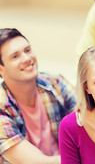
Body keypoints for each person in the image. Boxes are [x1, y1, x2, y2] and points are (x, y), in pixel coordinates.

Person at [0, 28, 76, 164]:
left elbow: (89, 125)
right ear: (1, 69)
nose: (27, 58)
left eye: (27, 50)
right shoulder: (1, 106)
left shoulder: (57, 84)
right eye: (15, 56)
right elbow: (37, 162)